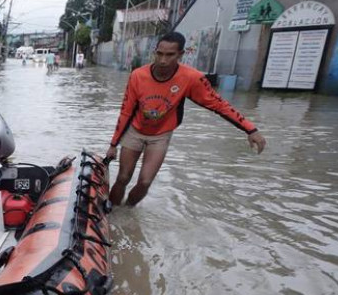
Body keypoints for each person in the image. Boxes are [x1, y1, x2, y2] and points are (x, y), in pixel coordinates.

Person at [105, 31, 267, 206]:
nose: (163, 60)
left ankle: (128, 213)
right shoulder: (138, 75)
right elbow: (126, 111)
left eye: (170, 55)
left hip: (160, 135)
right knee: (123, 177)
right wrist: (113, 145)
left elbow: (218, 104)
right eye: (159, 54)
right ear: (155, 52)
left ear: (181, 54)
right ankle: (112, 213)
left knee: (145, 182)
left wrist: (250, 129)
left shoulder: (191, 78)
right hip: (135, 131)